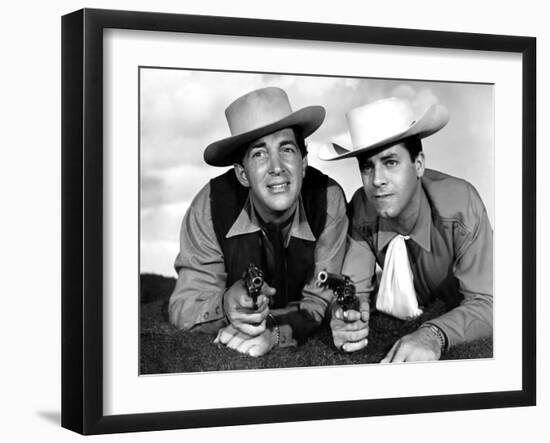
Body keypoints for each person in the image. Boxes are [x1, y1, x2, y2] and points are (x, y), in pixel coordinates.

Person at [168, 86, 348, 357]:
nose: (276, 167)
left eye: (287, 149)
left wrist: (275, 334)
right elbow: (186, 305)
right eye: (259, 154)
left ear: (303, 162)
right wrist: (226, 306)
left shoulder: (328, 200)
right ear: (242, 174)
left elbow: (319, 302)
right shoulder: (208, 206)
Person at [319, 97, 493, 362]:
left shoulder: (461, 206)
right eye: (367, 167)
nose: (377, 180)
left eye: (390, 163)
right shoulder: (362, 209)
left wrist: (434, 334)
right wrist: (347, 316)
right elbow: (354, 290)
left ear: (419, 164)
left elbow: (489, 302)